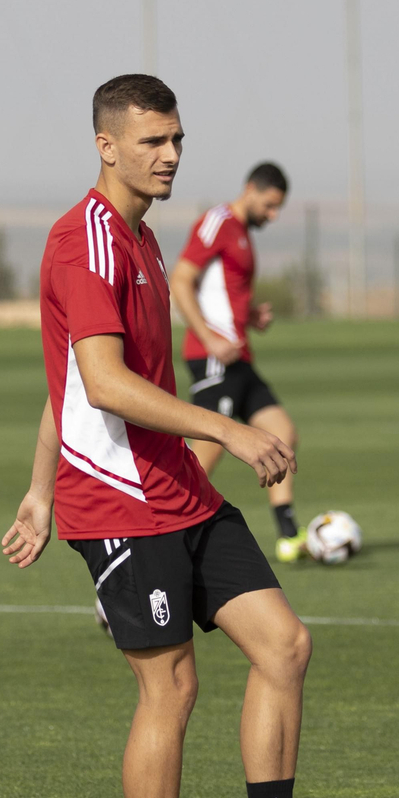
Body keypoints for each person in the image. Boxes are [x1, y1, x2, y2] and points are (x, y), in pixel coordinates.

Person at [0, 74, 380, 798]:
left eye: (177, 140)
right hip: (123, 504)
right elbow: (99, 383)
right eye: (151, 142)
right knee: (170, 688)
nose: (170, 156)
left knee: (284, 644)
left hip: (178, 489)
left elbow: (66, 385)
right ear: (106, 145)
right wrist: (229, 430)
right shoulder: (84, 241)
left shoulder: (141, 239)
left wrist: (33, 487)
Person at [171, 162, 308, 563]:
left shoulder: (243, 234)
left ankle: (287, 535)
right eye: (270, 205)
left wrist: (249, 317)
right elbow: (180, 281)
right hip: (212, 358)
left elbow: (223, 293)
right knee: (206, 454)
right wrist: (210, 338)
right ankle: (159, 533)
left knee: (281, 434)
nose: (273, 215)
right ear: (250, 189)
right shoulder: (216, 222)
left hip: (240, 357)